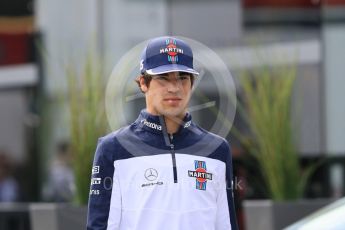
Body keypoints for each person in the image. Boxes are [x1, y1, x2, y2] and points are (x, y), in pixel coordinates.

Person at [87, 36, 238, 230]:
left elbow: (226, 225)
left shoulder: (217, 149)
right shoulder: (113, 149)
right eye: (163, 78)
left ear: (192, 83)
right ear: (143, 83)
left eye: (182, 78)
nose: (174, 88)